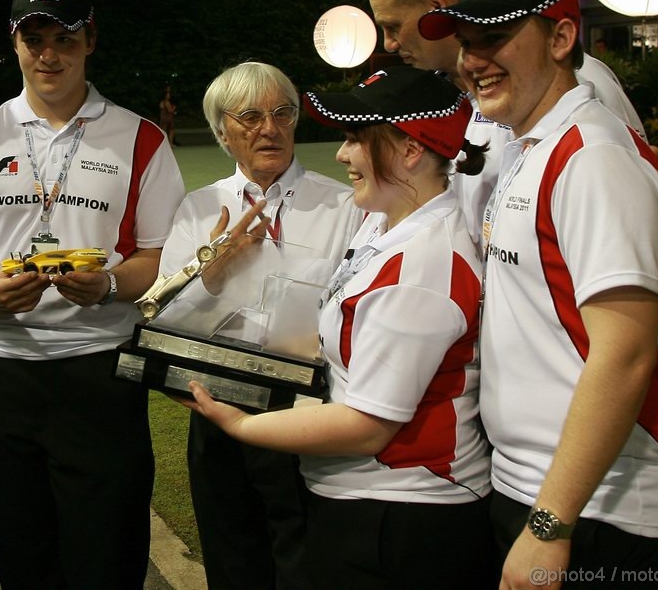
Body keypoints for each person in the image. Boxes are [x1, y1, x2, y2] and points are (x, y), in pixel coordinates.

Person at [418, 0, 658, 589]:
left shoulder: (590, 155)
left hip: (599, 505)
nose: (472, 59)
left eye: (493, 37)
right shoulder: (530, 142)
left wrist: (550, 525)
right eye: (466, 43)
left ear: (562, 37)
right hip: (546, 486)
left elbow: (624, 356)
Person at [184, 66, 495, 589]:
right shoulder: (386, 221)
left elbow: (369, 425)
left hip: (400, 509)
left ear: (410, 150)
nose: (342, 154)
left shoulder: (417, 267)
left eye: (355, 138)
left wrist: (239, 425)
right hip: (366, 498)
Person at [0, 0, 185, 589]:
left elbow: (160, 258)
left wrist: (107, 286)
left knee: (107, 557)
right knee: (22, 556)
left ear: (90, 41)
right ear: (14, 45)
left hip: (98, 369)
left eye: (64, 39)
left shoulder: (140, 138)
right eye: (34, 38)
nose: (49, 54)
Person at [157, 61, 364, 589]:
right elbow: (164, 319)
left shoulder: (343, 204)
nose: (269, 129)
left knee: (305, 559)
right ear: (223, 130)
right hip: (216, 403)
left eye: (282, 113)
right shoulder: (199, 208)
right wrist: (215, 267)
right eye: (250, 116)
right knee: (231, 558)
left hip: (307, 411)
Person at [365, 0, 658, 257]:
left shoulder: (577, 78)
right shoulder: (433, 97)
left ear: (436, 3)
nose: (389, 44)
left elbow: (629, 193)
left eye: (393, 26)